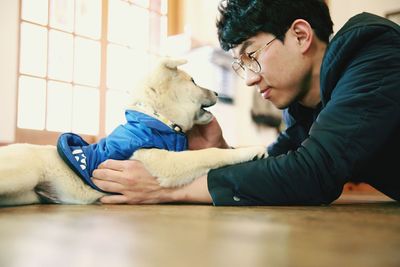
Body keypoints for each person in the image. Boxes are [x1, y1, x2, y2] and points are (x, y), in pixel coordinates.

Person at [92, 0, 400, 205]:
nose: (250, 79)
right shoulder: (305, 106)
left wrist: (167, 188)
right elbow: (279, 168)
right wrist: (219, 152)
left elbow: (313, 174)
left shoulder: (373, 49)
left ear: (301, 35)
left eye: (251, 56)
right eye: (241, 65)